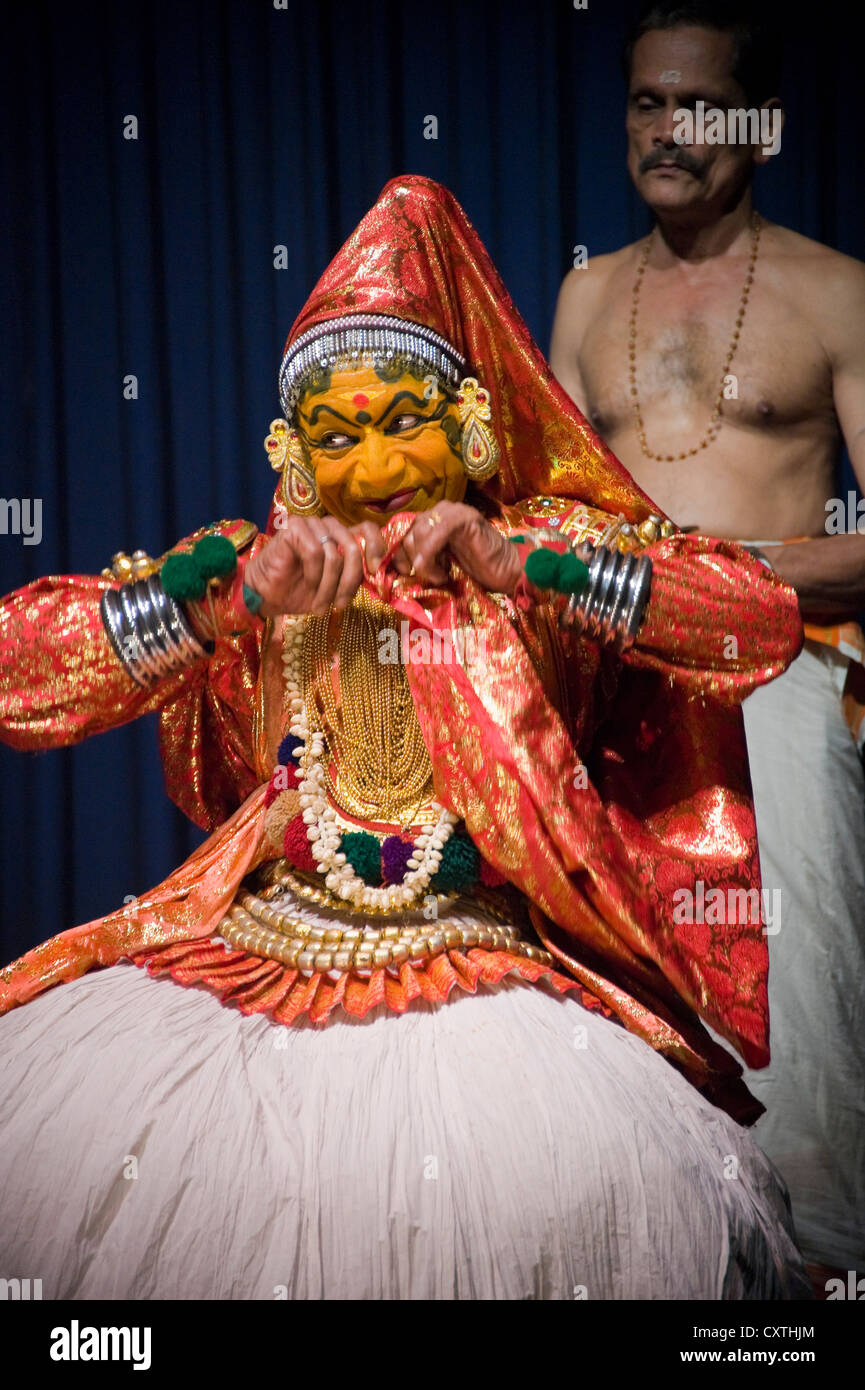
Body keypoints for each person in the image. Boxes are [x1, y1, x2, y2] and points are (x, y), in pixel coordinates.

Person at [0, 175, 809, 1300]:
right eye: (335, 437)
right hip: (250, 957)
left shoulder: (530, 557)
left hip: (493, 988)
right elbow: (14, 674)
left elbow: (758, 624)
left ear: (471, 426)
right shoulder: (257, 573)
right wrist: (211, 610)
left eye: (401, 425)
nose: (374, 475)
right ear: (294, 453)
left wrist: (530, 570)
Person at [549, 1, 865, 1282]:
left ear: (761, 125)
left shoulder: (836, 291)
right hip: (616, 698)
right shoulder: (581, 295)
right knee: (622, 1019)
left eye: (695, 104)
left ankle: (821, 1285)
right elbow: (545, 520)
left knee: (804, 1014)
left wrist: (724, 577)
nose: (664, 132)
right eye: (643, 102)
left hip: (779, 679)